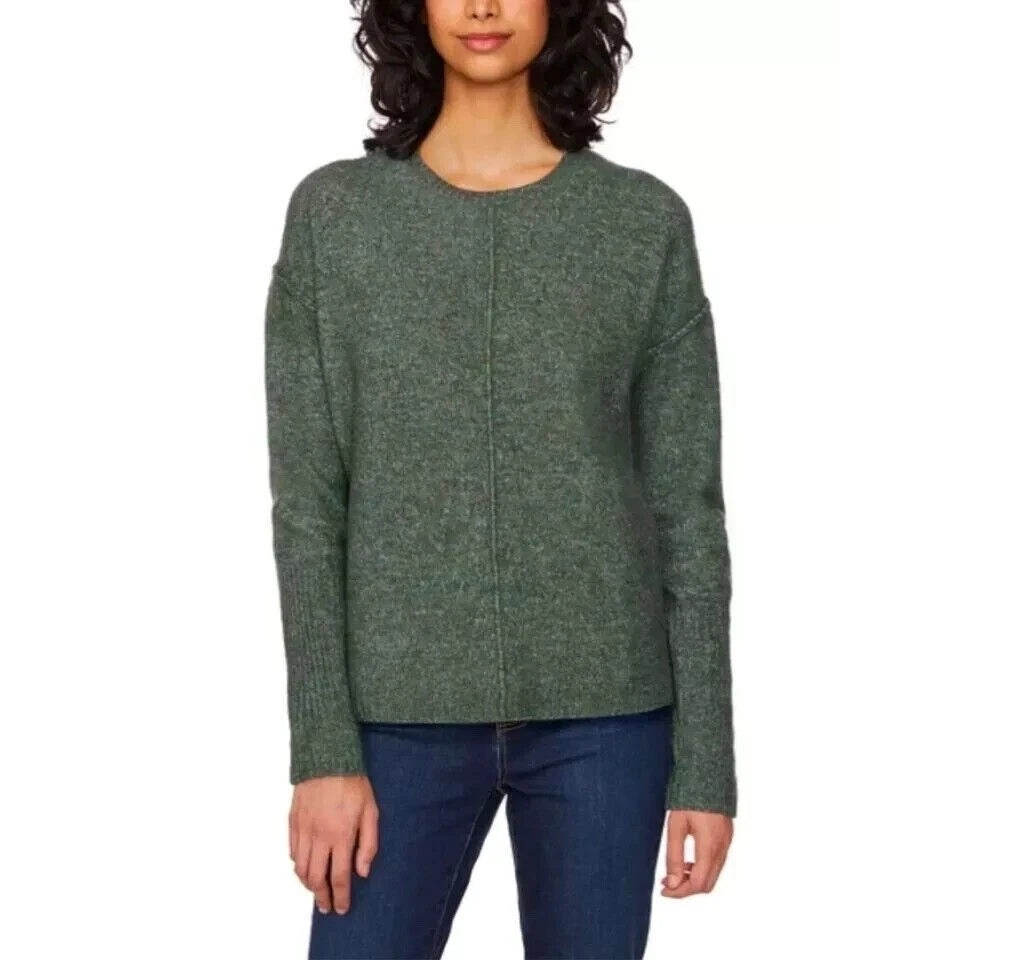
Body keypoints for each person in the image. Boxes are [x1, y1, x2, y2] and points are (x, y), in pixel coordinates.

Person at [263, 1, 737, 957]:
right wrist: (321, 750)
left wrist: (706, 766)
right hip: (394, 716)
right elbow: (308, 508)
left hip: (607, 714)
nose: (483, 6)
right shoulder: (335, 217)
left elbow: (687, 511)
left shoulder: (641, 223)